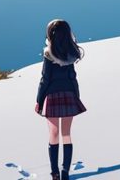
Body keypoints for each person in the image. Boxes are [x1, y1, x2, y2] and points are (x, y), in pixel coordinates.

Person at [35, 19, 86, 180]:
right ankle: (64, 172)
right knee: (65, 134)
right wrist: (76, 96)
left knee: (55, 134)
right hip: (68, 95)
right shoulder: (70, 53)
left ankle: (56, 173)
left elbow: (45, 79)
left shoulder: (49, 54)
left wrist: (39, 100)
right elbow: (73, 77)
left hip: (52, 96)